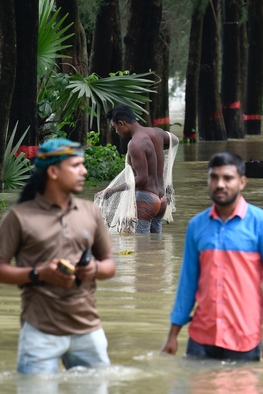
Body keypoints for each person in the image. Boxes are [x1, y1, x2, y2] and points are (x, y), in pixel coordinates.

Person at [0, 139, 116, 374]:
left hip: (88, 329)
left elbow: (109, 265)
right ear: (53, 171)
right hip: (40, 332)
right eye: (76, 166)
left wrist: (94, 269)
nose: (84, 171)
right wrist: (38, 274)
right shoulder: (19, 216)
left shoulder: (90, 212)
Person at [161, 152, 263, 362]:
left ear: (242, 182)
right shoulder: (196, 226)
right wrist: (173, 334)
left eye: (227, 178)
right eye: (214, 177)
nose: (220, 184)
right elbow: (188, 282)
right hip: (201, 338)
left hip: (244, 338)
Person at [99, 104, 179, 233]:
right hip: (161, 199)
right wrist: (156, 147)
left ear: (121, 123)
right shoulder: (157, 132)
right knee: (156, 245)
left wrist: (112, 190)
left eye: (115, 128)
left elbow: (142, 179)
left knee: (142, 248)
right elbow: (174, 140)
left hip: (147, 199)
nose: (116, 132)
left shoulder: (135, 143)